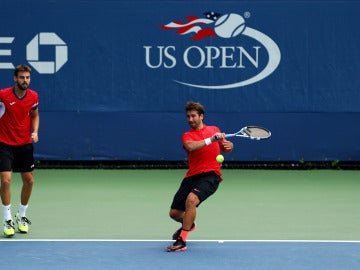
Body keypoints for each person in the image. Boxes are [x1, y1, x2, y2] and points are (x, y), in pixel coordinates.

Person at [166, 101, 234, 252]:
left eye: (193, 116)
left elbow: (226, 148)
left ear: (201, 116)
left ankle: (181, 240)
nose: (190, 119)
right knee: (174, 213)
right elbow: (191, 147)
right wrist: (211, 139)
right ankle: (189, 224)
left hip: (211, 175)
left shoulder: (214, 129)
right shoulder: (187, 135)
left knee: (191, 200)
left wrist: (229, 146)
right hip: (192, 176)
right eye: (188, 116)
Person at [0, 64, 39, 237]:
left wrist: (35, 131)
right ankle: (7, 219)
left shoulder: (33, 96)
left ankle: (21, 215)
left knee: (29, 181)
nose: (25, 81)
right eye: (22, 77)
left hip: (24, 144)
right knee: (6, 180)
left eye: (27, 78)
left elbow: (35, 114)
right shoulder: (3, 95)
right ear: (15, 78)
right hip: (4, 143)